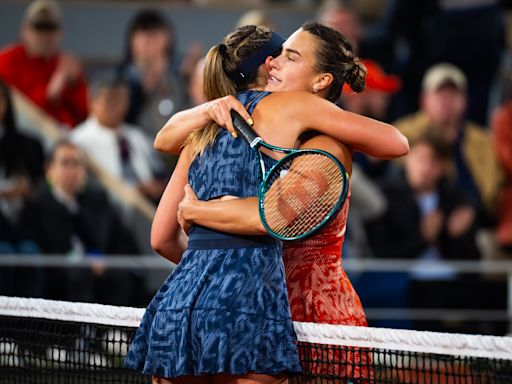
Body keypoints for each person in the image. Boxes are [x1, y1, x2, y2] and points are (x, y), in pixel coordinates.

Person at [131, 23, 407, 383]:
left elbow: (269, 217)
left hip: (313, 319)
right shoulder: (226, 121)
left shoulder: (325, 142)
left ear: (321, 80)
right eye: (276, 57)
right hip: (258, 303)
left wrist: (197, 215)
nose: (276, 64)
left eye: (289, 57)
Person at [17, 140, 141, 305]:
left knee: (120, 276)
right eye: (65, 163)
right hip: (59, 273)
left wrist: (97, 259)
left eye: (77, 163)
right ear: (49, 169)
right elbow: (38, 249)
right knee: (79, 276)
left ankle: (113, 330)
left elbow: (112, 240)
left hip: (97, 268)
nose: (72, 170)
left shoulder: (96, 201)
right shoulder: (36, 206)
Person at [394, 63, 501, 227]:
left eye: (453, 94)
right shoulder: (402, 134)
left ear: (465, 101)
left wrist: (472, 210)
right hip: (415, 220)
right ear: (424, 100)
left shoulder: (483, 140)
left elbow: (493, 190)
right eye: (440, 94)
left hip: (478, 223)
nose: (447, 102)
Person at [0, 0, 88, 128]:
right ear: (24, 31)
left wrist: (73, 85)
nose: (45, 36)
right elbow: (12, 111)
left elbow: (86, 112)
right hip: (20, 134)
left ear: (60, 34)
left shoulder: (66, 64)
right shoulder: (6, 60)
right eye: (39, 28)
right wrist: (48, 95)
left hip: (64, 135)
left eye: (50, 29)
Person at [0, 79, 45, 297]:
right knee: (5, 254)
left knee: (30, 253)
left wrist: (26, 188)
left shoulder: (26, 144)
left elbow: (38, 184)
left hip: (23, 225)